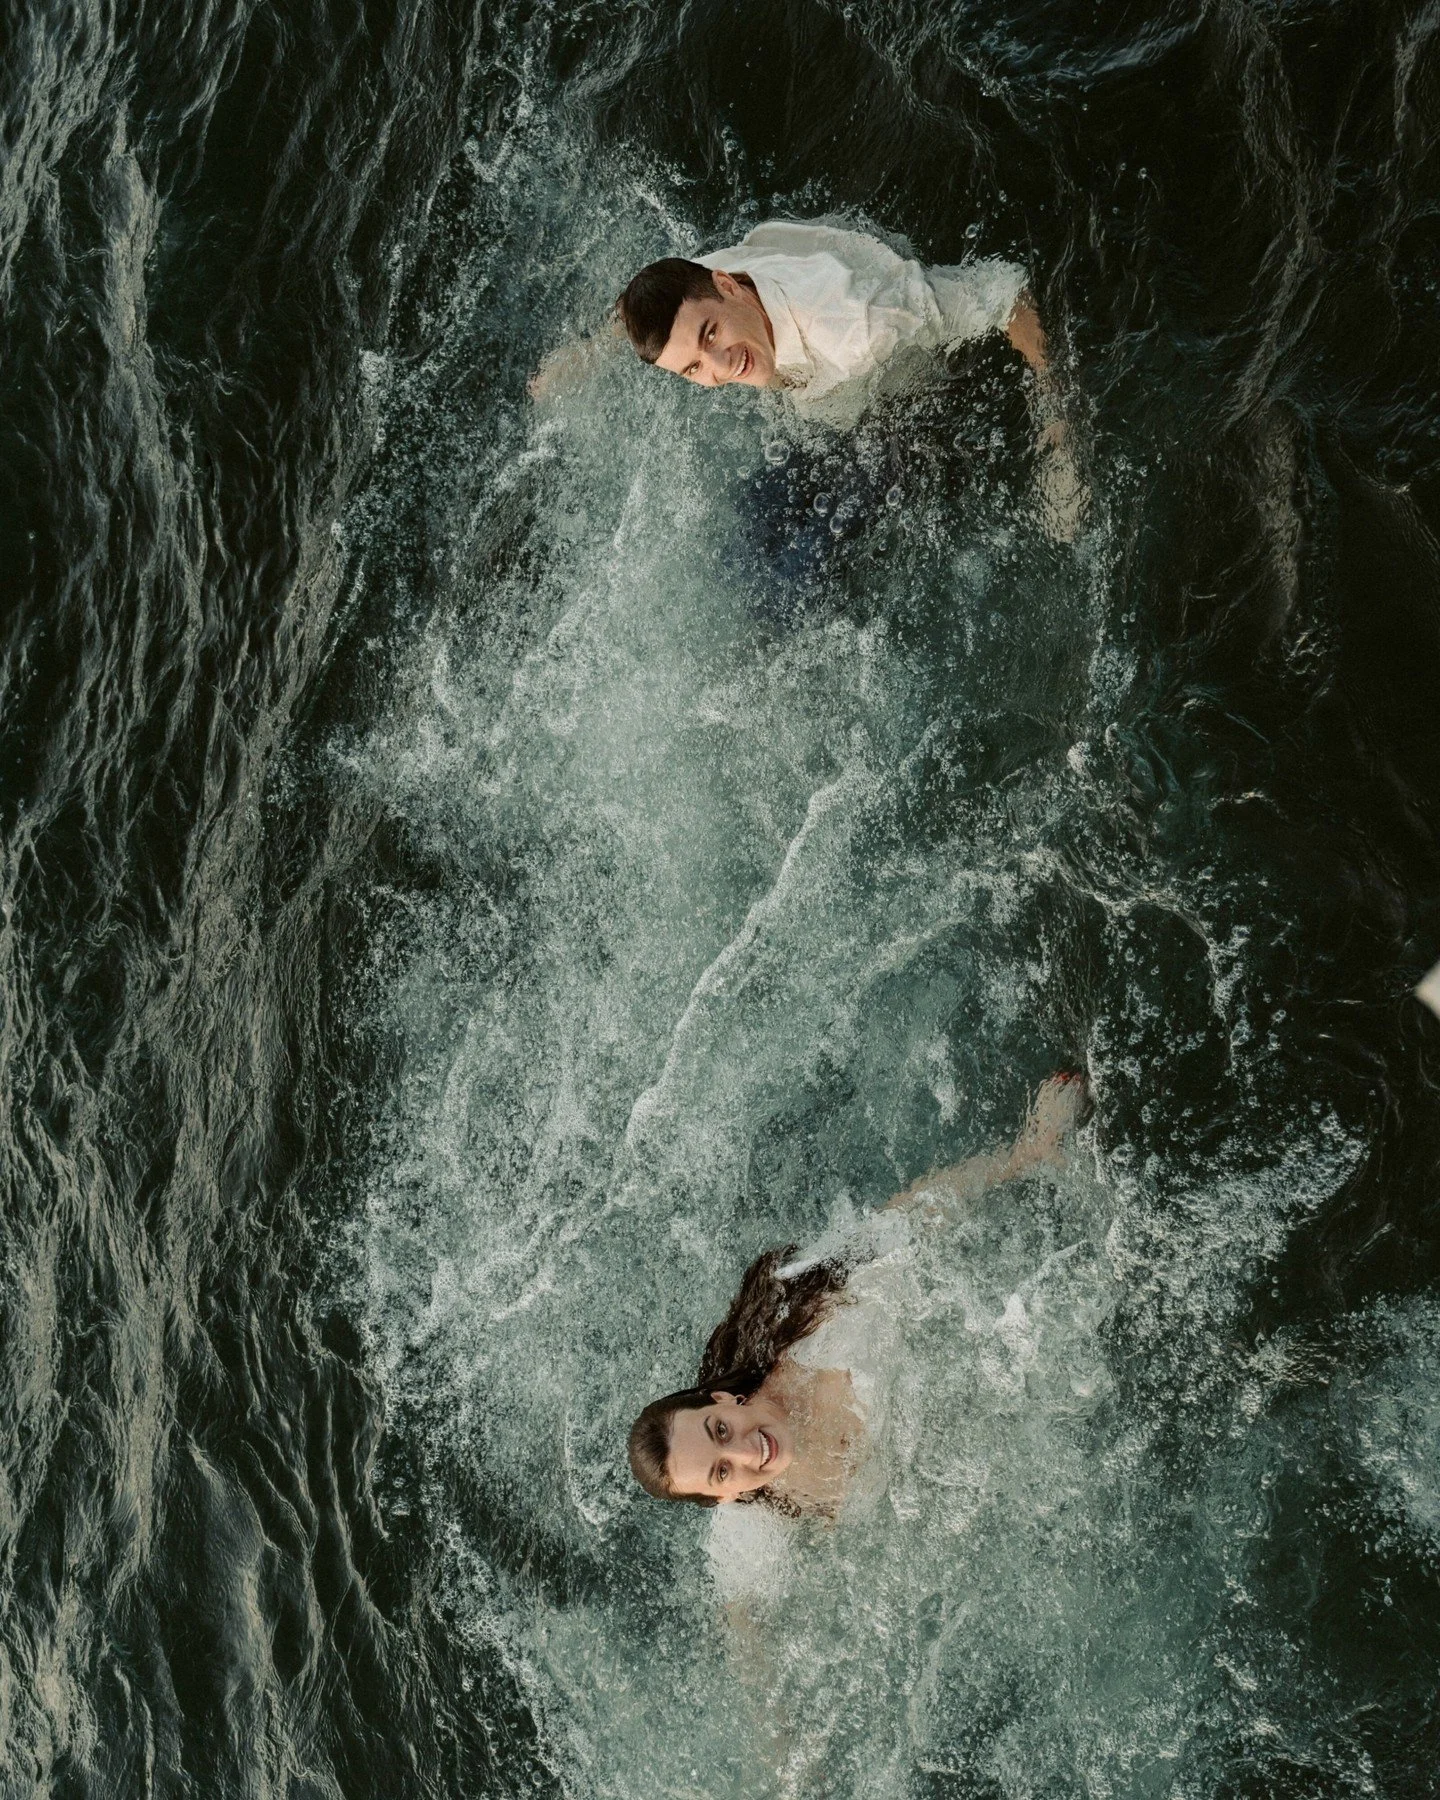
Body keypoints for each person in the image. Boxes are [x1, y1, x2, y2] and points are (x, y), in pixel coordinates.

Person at [626, 1073, 1089, 1595]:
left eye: (720, 1431)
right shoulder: (765, 1517)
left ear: (723, 1399)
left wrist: (1025, 1153)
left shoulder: (812, 1333)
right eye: (721, 1472)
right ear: (723, 1498)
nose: (747, 1453)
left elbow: (909, 1222)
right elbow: (741, 1617)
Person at [531, 220, 1084, 532]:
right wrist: (587, 353)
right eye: (694, 368)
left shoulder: (864, 323)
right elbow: (652, 300)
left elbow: (1007, 294)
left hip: (899, 398)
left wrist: (1057, 433)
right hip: (828, 392)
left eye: (711, 336)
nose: (722, 369)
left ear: (727, 287)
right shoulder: (701, 282)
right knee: (745, 534)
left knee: (801, 575)